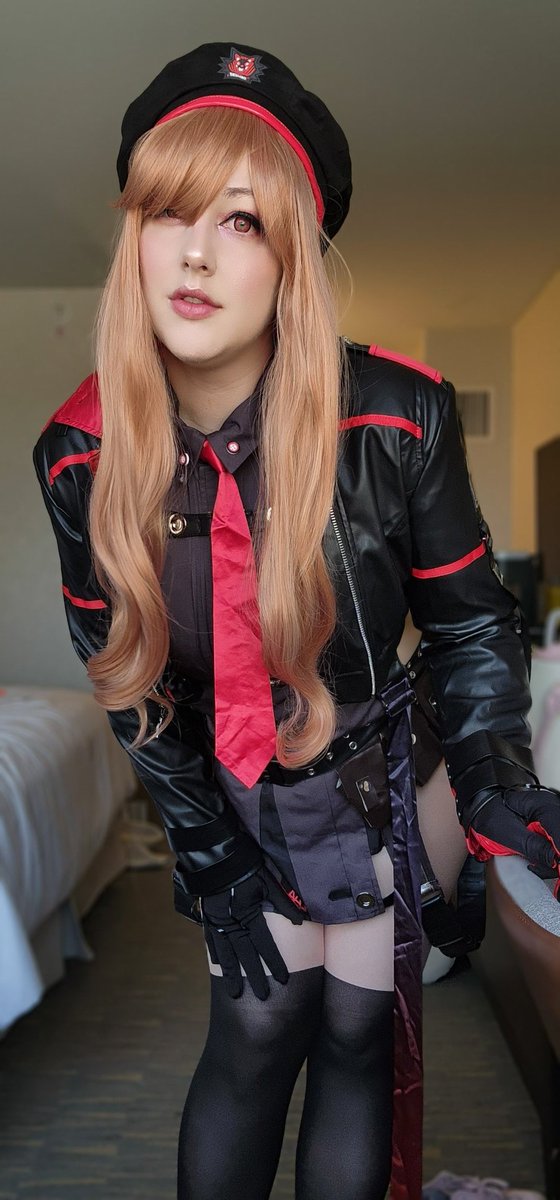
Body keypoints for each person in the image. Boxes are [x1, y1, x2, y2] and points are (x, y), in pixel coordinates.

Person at [33, 41, 560, 1200]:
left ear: (292, 260)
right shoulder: (78, 454)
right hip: (228, 780)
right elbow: (126, 679)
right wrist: (206, 849)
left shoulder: (399, 417)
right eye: (168, 213)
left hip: (371, 764)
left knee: (356, 1035)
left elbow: (469, 625)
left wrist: (492, 774)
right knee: (261, 1028)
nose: (195, 252)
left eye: (241, 221)